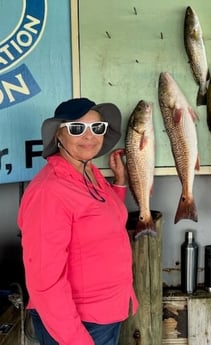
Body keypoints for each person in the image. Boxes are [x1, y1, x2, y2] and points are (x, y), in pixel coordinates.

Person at [17, 98, 139, 345]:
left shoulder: (88, 172)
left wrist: (119, 183)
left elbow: (98, 219)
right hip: (79, 325)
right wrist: (75, 339)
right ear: (58, 135)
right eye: (77, 128)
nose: (89, 136)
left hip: (107, 312)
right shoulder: (49, 191)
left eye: (97, 128)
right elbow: (44, 280)